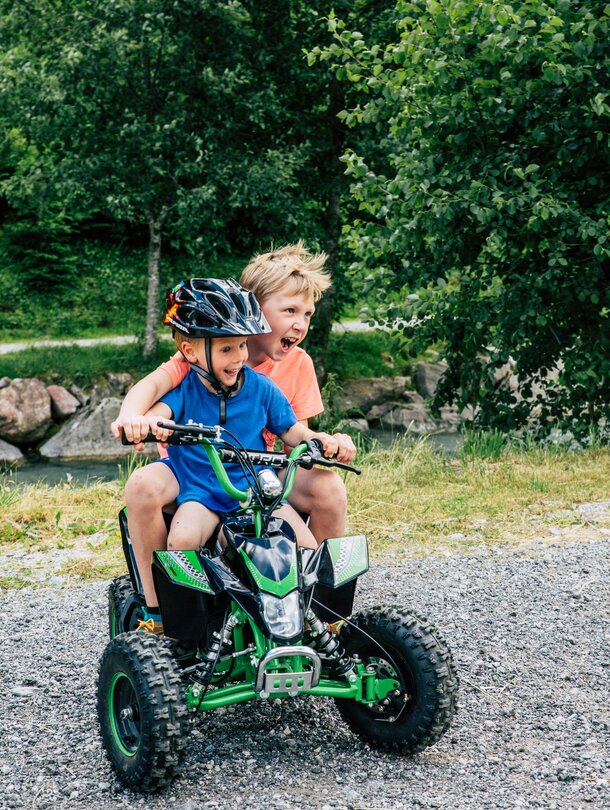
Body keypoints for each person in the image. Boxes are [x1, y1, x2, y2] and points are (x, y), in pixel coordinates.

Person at [123, 277, 345, 634]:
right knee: (181, 541)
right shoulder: (185, 385)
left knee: (306, 550)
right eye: (227, 349)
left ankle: (314, 626)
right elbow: (158, 410)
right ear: (192, 351)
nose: (239, 357)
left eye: (242, 346)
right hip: (203, 492)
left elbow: (293, 431)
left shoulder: (261, 387)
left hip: (256, 488)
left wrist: (320, 440)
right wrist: (145, 423)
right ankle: (180, 625)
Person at [112, 242, 356, 546]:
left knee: (329, 488)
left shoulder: (297, 364)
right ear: (253, 309)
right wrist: (133, 419)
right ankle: (161, 590)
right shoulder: (204, 357)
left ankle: (313, 583)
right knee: (154, 496)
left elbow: (295, 439)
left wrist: (326, 444)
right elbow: (151, 389)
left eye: (307, 314)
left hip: (260, 470)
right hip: (196, 470)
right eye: (290, 310)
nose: (300, 324)